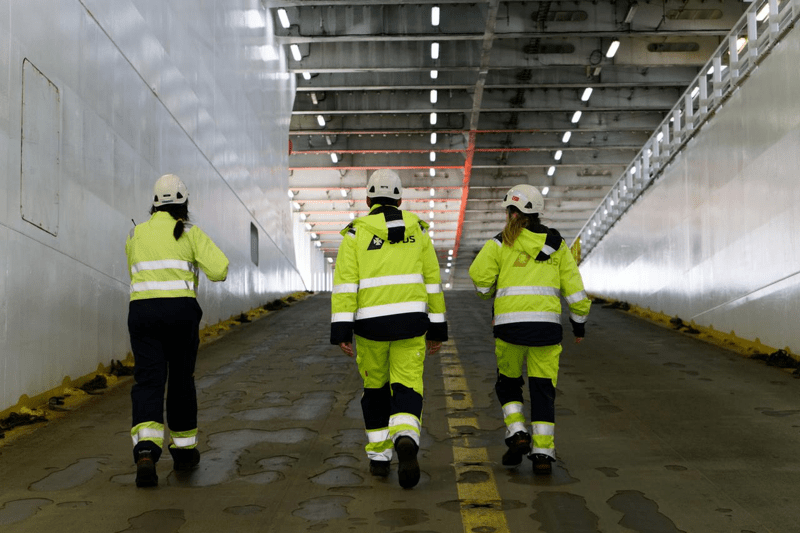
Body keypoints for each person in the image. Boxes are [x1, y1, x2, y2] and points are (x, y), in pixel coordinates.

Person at [330, 169, 447, 489]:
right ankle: (406, 437)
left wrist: (341, 331)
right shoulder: (418, 231)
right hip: (411, 325)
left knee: (375, 389)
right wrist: (437, 328)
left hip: (370, 328)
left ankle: (380, 458)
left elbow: (345, 286)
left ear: (368, 199)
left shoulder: (355, 234)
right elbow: (432, 282)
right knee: (407, 385)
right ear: (399, 200)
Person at [468, 184, 590, 475]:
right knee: (543, 389)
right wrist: (578, 324)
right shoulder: (557, 245)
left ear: (510, 212)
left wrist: (491, 292)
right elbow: (575, 291)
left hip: (509, 329)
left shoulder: (500, 243)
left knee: (508, 384)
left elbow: (480, 279)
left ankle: (517, 432)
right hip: (546, 331)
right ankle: (543, 454)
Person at [126, 174, 229, 487]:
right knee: (181, 380)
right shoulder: (189, 232)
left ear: (155, 204)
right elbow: (219, 270)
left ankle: (146, 452)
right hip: (180, 315)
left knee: (148, 380)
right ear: (184, 203)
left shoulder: (136, 233)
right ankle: (184, 453)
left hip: (142, 313)